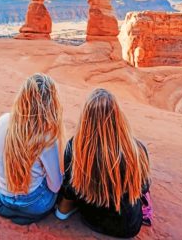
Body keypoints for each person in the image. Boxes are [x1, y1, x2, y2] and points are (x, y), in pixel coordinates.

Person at [56, 88, 151, 238]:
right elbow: (143, 187)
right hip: (128, 226)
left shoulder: (74, 148)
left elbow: (70, 187)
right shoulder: (137, 150)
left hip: (91, 219)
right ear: (118, 116)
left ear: (85, 117)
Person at [0, 73, 64, 225]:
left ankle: (11, 208)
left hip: (4, 195)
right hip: (33, 204)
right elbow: (55, 187)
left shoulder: (3, 120)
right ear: (51, 103)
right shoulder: (46, 136)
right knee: (62, 180)